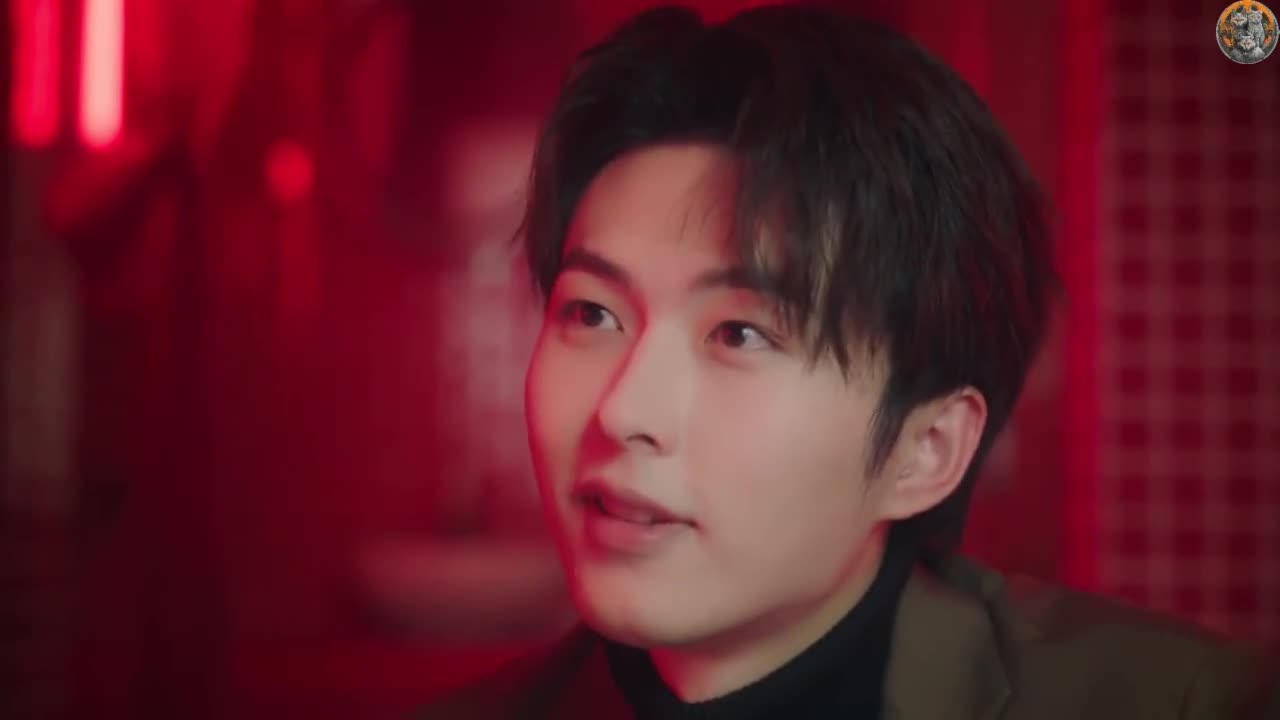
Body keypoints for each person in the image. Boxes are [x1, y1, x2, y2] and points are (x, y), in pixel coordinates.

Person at [417, 4, 1279, 718]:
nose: (621, 411)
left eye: (739, 334)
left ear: (924, 449)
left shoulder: (1191, 703)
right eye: (591, 313)